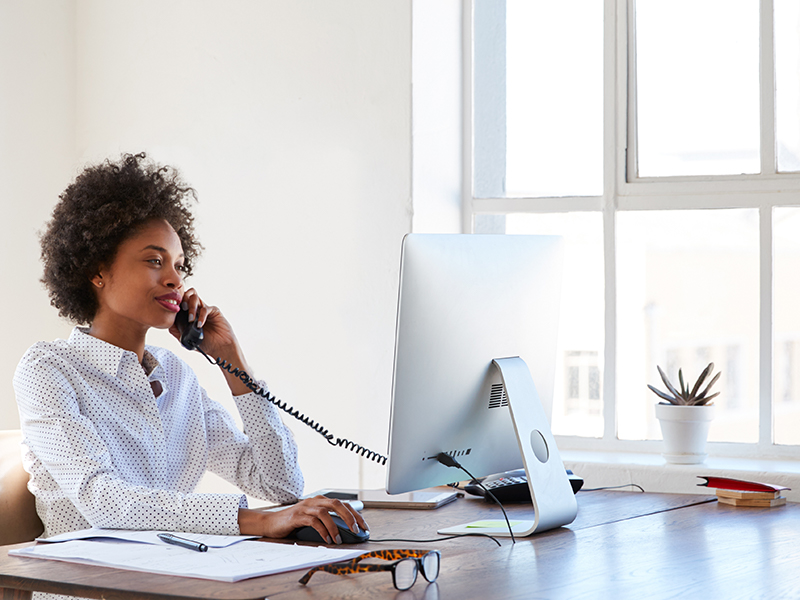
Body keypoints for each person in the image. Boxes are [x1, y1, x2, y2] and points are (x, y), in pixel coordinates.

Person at [13, 152, 367, 546]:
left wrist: (233, 364)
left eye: (179, 265)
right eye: (154, 260)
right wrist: (257, 521)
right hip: (87, 585)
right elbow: (103, 501)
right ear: (97, 271)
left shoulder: (174, 375)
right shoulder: (48, 369)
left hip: (173, 575)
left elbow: (282, 486)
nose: (173, 280)